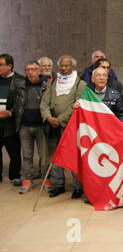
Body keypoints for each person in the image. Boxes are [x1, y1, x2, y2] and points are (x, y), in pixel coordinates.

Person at [40, 55, 86, 199]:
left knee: (73, 157)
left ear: (73, 67)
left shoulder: (80, 84)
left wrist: (60, 120)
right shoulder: (52, 83)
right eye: (62, 66)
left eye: (67, 66)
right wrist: (48, 117)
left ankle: (78, 187)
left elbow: (77, 105)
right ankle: (58, 184)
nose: (64, 69)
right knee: (55, 157)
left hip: (70, 126)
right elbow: (44, 103)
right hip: (52, 126)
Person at [18, 61, 51, 194]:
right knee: (27, 155)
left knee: (44, 156)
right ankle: (28, 179)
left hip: (41, 126)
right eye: (27, 70)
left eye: (33, 69)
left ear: (39, 71)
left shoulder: (46, 85)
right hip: (25, 126)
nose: (30, 72)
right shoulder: (20, 85)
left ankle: (45, 179)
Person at [0, 54, 26, 186]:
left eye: (1, 64)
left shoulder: (19, 80)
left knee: (14, 152)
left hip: (11, 122)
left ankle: (14, 176)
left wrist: (10, 112)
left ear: (9, 66)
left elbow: (21, 103)